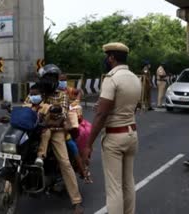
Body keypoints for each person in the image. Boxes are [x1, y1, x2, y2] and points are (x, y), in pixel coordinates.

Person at [83, 42, 141, 214]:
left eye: (107, 57)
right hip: (131, 135)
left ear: (112, 58)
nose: (106, 60)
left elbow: (101, 116)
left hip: (115, 138)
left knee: (114, 188)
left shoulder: (111, 78)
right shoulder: (135, 78)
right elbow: (131, 107)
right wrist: (102, 107)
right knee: (128, 182)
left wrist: (88, 144)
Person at [36, 64, 84, 214]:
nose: (49, 80)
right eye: (46, 77)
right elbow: (28, 106)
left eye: (52, 77)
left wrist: (44, 111)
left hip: (56, 131)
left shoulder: (62, 94)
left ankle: (76, 202)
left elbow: (61, 114)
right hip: (37, 129)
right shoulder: (37, 91)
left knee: (65, 163)